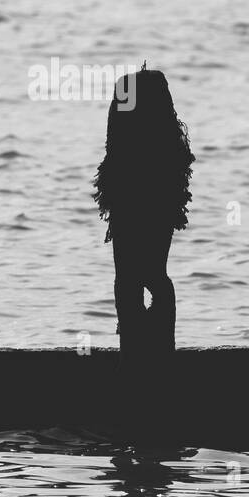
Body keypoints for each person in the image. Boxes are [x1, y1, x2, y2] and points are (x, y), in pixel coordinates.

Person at [92, 66, 194, 357]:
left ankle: (135, 352)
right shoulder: (167, 149)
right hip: (153, 205)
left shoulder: (130, 148)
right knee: (151, 276)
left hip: (132, 204)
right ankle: (157, 349)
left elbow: (113, 147)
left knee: (132, 279)